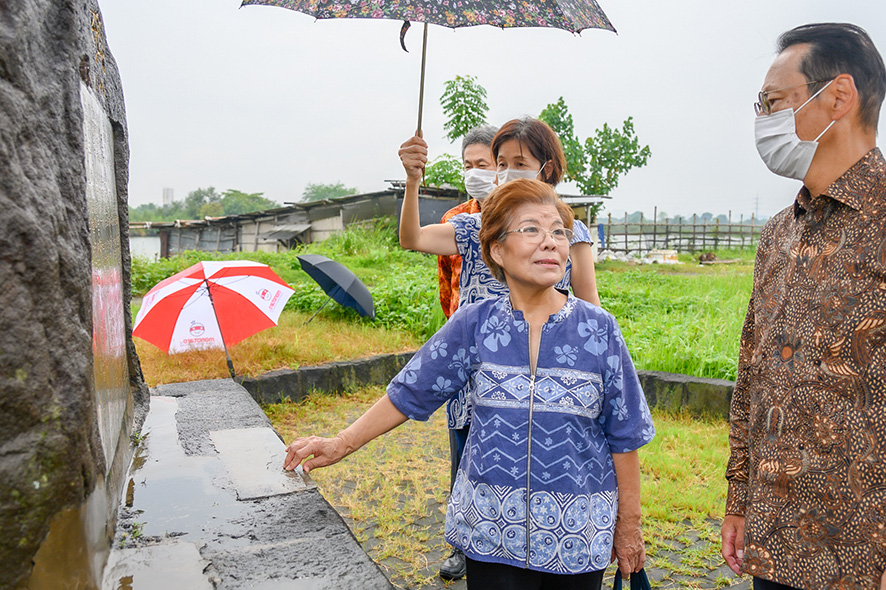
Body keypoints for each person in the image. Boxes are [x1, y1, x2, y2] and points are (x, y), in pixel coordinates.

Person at [284, 179, 654, 589]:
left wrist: (629, 526)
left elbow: (624, 433)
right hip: (489, 531)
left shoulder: (598, 330)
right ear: (497, 249)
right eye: (531, 229)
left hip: (577, 537)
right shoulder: (475, 324)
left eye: (558, 232)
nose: (550, 242)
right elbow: (410, 392)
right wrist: (341, 443)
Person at [400, 118, 602, 580]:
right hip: (479, 383)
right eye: (501, 163)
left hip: (549, 387)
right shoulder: (477, 229)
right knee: (473, 472)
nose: (506, 171)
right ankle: (472, 547)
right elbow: (412, 239)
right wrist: (414, 181)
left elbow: (593, 315)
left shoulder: (573, 234)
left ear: (547, 168)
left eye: (519, 163)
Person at [721, 23, 886, 590]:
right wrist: (739, 499)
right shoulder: (778, 235)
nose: (763, 121)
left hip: (863, 552)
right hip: (774, 537)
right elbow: (753, 375)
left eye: (773, 103)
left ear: (838, 97)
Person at [435, 124, 499, 580]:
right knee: (461, 452)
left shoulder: (526, 217)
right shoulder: (456, 220)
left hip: (509, 356)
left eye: (486, 165)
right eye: (470, 165)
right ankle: (460, 544)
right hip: (465, 352)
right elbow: (446, 286)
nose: (477, 172)